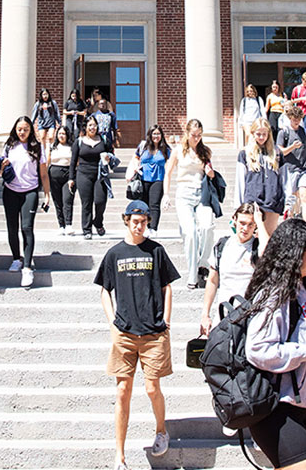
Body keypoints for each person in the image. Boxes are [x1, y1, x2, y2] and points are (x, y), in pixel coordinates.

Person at [244, 218, 306, 470]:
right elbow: (258, 349)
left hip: (304, 408)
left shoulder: (303, 289)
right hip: (277, 409)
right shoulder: (276, 293)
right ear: (296, 252)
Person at [94, 200, 180, 470]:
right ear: (126, 220)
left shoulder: (156, 250)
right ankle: (119, 455)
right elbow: (104, 290)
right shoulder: (114, 254)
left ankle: (161, 430)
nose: (139, 225)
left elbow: (167, 287)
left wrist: (166, 319)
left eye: (143, 221)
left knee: (153, 387)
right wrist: (112, 322)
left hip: (154, 333)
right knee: (122, 391)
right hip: (125, 333)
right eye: (135, 221)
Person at [200, 203, 268, 336]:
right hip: (224, 315)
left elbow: (267, 250)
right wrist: (205, 314)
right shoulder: (222, 245)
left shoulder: (257, 246)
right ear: (234, 220)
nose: (245, 228)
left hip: (251, 317)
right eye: (242, 223)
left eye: (250, 224)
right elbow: (212, 281)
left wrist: (260, 222)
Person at [163, 118, 215, 289]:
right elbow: (168, 173)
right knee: (191, 233)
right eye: (194, 135)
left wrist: (210, 172)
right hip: (184, 194)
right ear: (187, 133)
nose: (197, 138)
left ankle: (203, 265)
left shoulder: (205, 151)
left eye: (200, 135)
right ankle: (192, 276)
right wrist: (166, 195)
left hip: (201, 193)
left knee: (207, 226)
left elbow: (212, 175)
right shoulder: (178, 151)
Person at [1, 116, 50, 287]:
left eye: (26, 129)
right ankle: (16, 259)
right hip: (10, 191)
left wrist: (47, 195)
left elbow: (43, 174)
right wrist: (2, 166)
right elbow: (0, 170)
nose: (22, 132)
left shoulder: (37, 147)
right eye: (20, 129)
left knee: (27, 227)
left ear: (31, 131)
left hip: (30, 191)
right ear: (15, 129)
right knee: (12, 227)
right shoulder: (9, 146)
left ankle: (28, 267)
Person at [69, 116, 118, 239]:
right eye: (90, 125)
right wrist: (71, 178)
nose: (92, 128)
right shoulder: (79, 142)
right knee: (86, 203)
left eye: (94, 125)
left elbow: (111, 154)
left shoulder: (103, 140)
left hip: (100, 174)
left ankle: (98, 222)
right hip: (83, 174)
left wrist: (108, 158)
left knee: (100, 201)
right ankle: (87, 230)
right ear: (85, 127)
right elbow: (73, 161)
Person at [234, 117, 284, 238]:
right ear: (252, 134)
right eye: (258, 134)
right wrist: (238, 206)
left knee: (268, 239)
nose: (261, 137)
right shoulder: (245, 153)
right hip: (253, 201)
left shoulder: (276, 153)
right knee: (250, 239)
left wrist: (287, 202)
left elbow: (283, 178)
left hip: (272, 200)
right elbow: (240, 180)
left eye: (264, 134)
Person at [277, 106, 306, 222]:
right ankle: (292, 218)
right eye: (294, 119)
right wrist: (292, 147)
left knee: (304, 196)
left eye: (298, 119)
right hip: (289, 170)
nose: (296, 121)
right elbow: (281, 152)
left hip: (304, 168)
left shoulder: (304, 132)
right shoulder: (283, 133)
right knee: (292, 199)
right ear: (289, 118)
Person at [129, 125, 171, 237]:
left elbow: (172, 162)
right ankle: (146, 227)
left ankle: (153, 228)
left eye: (158, 134)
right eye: (154, 134)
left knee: (154, 204)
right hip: (143, 179)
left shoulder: (166, 149)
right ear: (150, 135)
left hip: (158, 179)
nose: (156, 136)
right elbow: (135, 157)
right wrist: (136, 166)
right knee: (144, 204)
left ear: (161, 135)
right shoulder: (143, 146)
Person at [47, 126, 76, 236]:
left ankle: (68, 224)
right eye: (59, 134)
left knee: (67, 200)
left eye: (63, 133)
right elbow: (47, 161)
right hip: (54, 176)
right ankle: (61, 225)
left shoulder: (72, 147)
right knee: (57, 201)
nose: (61, 136)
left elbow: (75, 162)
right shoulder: (52, 147)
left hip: (68, 175)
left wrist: (72, 178)